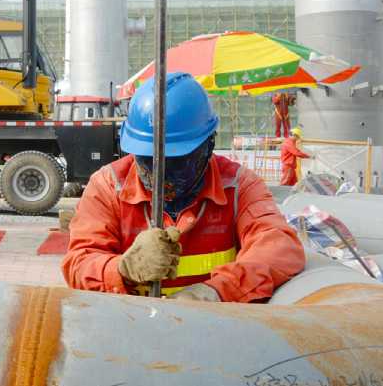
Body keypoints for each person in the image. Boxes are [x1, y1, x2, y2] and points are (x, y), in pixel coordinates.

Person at [62, 72, 305, 302]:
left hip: (210, 325)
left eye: (175, 161)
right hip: (131, 324)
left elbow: (280, 248)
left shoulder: (238, 186)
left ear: (208, 146)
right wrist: (123, 269)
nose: (159, 175)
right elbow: (79, 264)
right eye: (147, 160)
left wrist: (216, 291)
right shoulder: (108, 186)